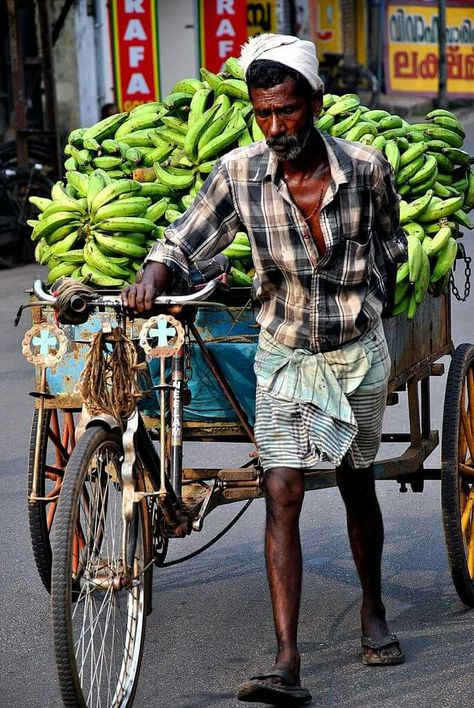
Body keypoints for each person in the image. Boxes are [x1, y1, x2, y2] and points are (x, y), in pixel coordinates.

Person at [122, 33, 408, 707]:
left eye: (288, 111)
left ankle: (372, 608)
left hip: (355, 352)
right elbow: (186, 236)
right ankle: (287, 660)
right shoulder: (239, 173)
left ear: (315, 102)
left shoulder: (365, 169)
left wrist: (371, 297)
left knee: (355, 482)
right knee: (281, 490)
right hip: (283, 350)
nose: (277, 128)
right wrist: (156, 271)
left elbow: (392, 241)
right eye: (265, 114)